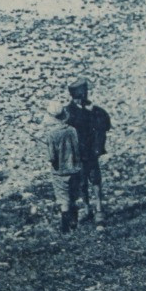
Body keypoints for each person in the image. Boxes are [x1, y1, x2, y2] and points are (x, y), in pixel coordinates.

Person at [62, 78, 113, 227]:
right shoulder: (69, 111)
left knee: (95, 180)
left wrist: (93, 112)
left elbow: (105, 125)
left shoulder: (93, 110)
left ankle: (99, 209)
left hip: (91, 152)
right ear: (77, 94)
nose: (85, 94)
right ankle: (87, 208)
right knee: (82, 182)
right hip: (77, 153)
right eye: (83, 92)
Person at [43, 99, 82, 233]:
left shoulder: (51, 134)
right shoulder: (72, 130)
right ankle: (74, 222)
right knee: (73, 197)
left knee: (63, 199)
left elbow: (52, 157)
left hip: (60, 172)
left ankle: (65, 228)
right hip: (75, 169)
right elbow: (77, 148)